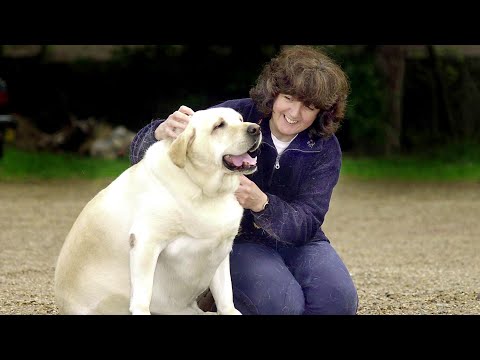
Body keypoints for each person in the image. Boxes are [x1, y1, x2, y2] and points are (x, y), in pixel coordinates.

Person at [129, 45, 358, 315]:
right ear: (273, 94)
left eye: (309, 106)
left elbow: (308, 221)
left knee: (338, 304)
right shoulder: (233, 116)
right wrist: (159, 132)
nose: (294, 113)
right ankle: (218, 293)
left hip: (300, 241)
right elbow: (141, 155)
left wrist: (263, 204)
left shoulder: (325, 148)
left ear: (322, 112)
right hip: (239, 240)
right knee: (282, 306)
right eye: (288, 97)